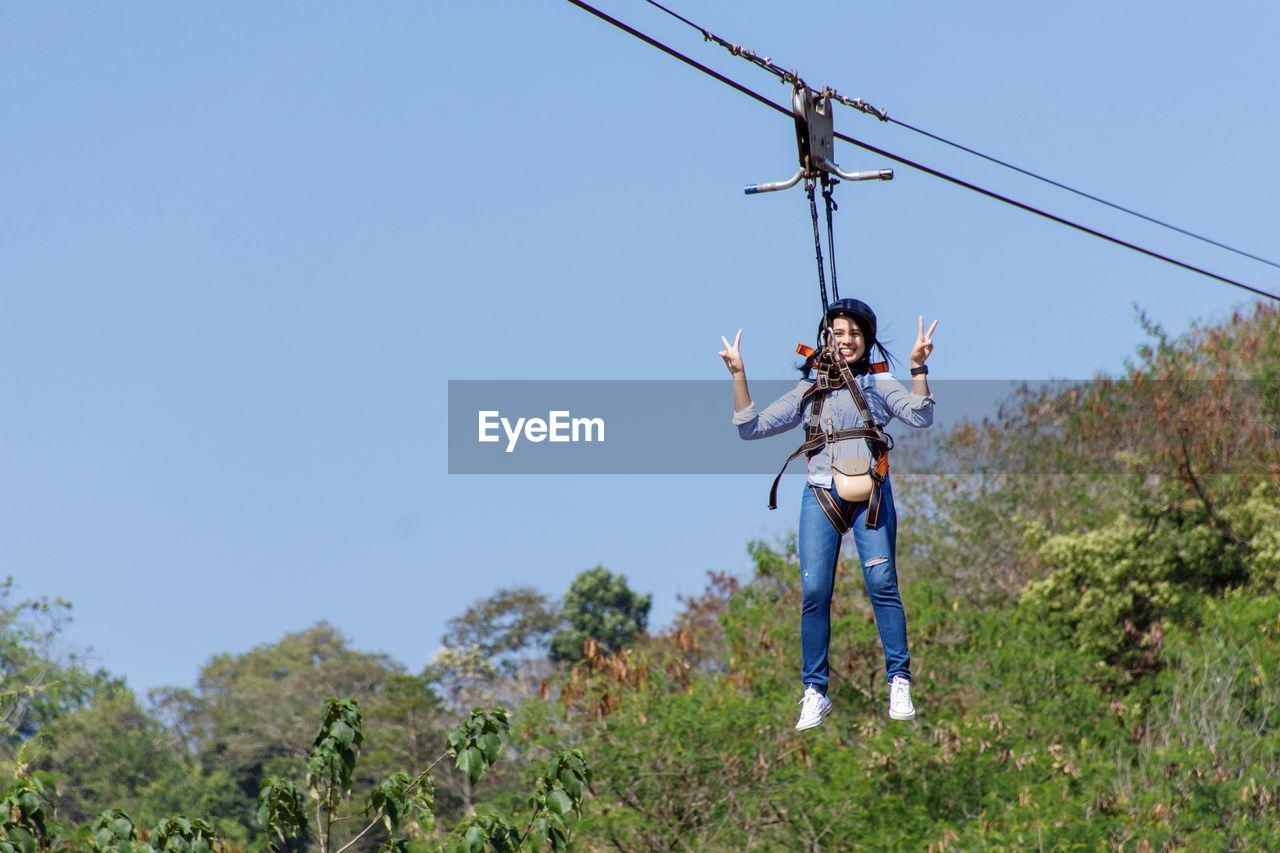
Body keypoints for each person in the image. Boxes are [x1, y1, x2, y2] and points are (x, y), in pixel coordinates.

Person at [719, 298, 938, 730]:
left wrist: (918, 369)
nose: (847, 341)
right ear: (825, 341)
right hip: (821, 495)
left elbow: (920, 416)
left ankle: (899, 679)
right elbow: (751, 427)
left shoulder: (878, 385)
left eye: (855, 334)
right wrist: (738, 374)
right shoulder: (810, 391)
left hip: (869, 494)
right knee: (815, 590)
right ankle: (814, 691)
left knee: (881, 582)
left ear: (867, 341)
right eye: (838, 334)